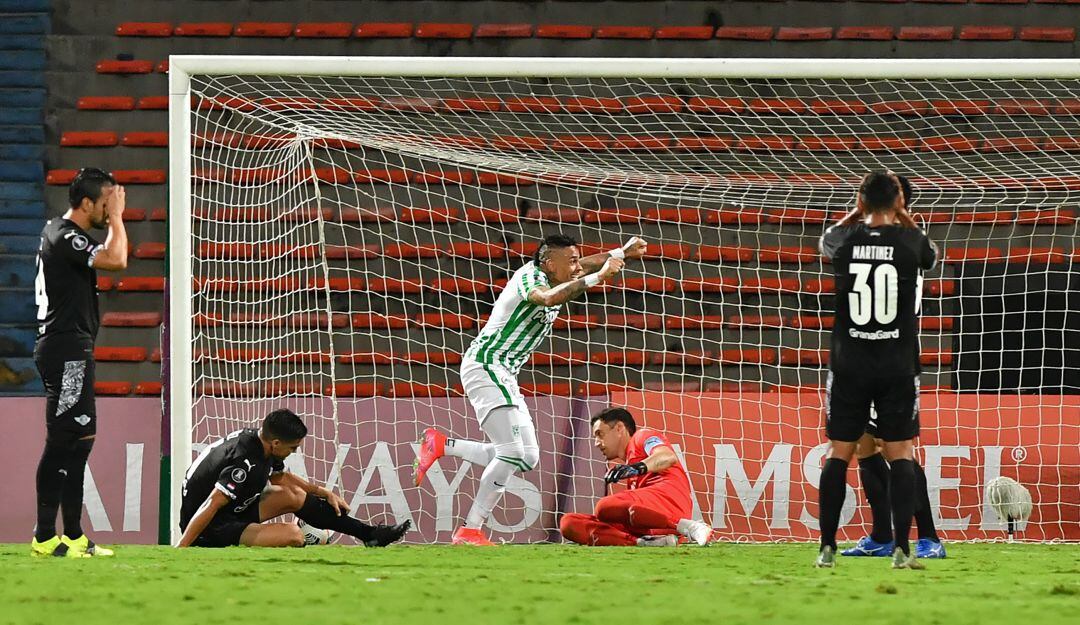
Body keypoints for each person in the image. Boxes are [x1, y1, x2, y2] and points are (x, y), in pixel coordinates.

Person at [412, 232, 647, 545]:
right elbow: (547, 298)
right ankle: (471, 529)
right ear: (549, 263)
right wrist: (599, 278)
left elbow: (587, 265)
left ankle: (441, 445)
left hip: (504, 372)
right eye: (571, 261)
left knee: (527, 457)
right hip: (487, 365)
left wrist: (623, 252)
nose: (578, 267)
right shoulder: (530, 277)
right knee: (511, 452)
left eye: (578, 260)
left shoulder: (558, 271)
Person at [814, 171, 938, 570]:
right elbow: (929, 254)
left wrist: (857, 214)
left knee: (839, 453)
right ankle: (902, 547)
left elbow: (827, 238)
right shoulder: (911, 242)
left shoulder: (843, 241)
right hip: (897, 364)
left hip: (850, 363)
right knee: (902, 454)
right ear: (899, 203)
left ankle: (827, 548)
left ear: (861, 202)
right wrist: (902, 216)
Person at [31, 168, 128, 557]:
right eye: (107, 201)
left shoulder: (62, 233)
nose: (112, 208)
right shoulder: (65, 235)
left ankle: (73, 535)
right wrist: (118, 219)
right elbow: (117, 259)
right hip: (65, 350)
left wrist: (115, 216)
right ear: (87, 203)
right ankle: (43, 537)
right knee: (63, 440)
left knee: (81, 439)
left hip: (74, 348)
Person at [177, 408, 410, 548]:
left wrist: (323, 492)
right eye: (293, 447)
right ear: (276, 443)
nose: (295, 451)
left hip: (230, 509)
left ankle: (370, 535)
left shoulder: (261, 444)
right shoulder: (245, 462)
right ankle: (203, 542)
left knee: (294, 495)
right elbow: (212, 503)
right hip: (210, 526)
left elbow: (280, 478)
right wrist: (183, 547)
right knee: (295, 536)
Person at [559, 407, 712, 547]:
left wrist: (636, 468)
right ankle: (645, 543)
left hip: (669, 505)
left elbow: (667, 456)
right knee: (569, 522)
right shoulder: (631, 474)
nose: (597, 443)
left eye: (600, 434)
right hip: (651, 523)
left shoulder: (641, 437)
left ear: (619, 428)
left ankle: (690, 527)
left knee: (604, 507)